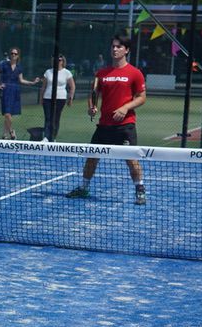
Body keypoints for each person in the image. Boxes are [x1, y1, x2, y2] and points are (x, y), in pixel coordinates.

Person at [65, 34, 148, 205]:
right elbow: (93, 94)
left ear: (127, 50)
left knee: (131, 159)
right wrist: (91, 107)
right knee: (92, 158)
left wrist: (125, 108)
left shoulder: (135, 73)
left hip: (125, 125)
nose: (115, 49)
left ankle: (140, 190)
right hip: (104, 125)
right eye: (113, 46)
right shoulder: (101, 73)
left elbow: (142, 97)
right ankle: (84, 187)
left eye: (119, 47)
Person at [0, 47, 39, 139]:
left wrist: (32, 82)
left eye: (15, 54)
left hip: (15, 92)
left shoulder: (19, 67)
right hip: (5, 91)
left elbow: (21, 80)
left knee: (9, 114)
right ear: (10, 55)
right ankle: (11, 131)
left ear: (18, 56)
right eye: (12, 53)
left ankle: (4, 135)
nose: (13, 55)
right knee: (7, 114)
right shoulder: (4, 65)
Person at [40, 52, 74, 142]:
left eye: (59, 60)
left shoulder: (67, 73)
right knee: (48, 117)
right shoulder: (48, 72)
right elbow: (43, 87)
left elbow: (72, 86)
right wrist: (41, 98)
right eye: (56, 60)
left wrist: (70, 98)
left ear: (62, 61)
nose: (58, 62)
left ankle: (53, 137)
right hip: (47, 98)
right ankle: (46, 137)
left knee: (56, 118)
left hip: (60, 98)